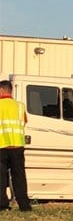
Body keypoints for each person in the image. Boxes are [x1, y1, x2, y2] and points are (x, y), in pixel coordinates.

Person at [0, 80, 31, 211]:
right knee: (19, 176)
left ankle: (2, 205)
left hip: (1, 145)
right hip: (17, 145)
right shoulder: (20, 106)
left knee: (1, 177)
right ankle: (24, 205)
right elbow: (24, 121)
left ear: (1, 90)